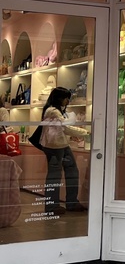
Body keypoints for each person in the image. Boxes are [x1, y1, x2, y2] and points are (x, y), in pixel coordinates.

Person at [41, 87, 88, 215]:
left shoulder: (54, 110)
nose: (68, 101)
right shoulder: (53, 111)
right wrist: (85, 132)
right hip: (54, 146)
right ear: (59, 98)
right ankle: (54, 206)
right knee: (56, 175)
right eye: (66, 98)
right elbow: (65, 127)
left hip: (60, 144)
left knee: (70, 170)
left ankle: (69, 202)